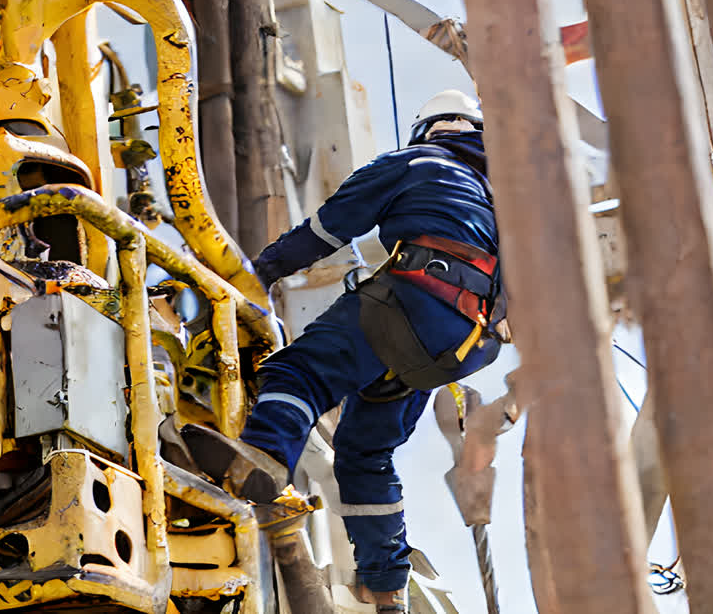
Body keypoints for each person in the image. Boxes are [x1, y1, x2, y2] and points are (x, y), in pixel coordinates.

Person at [183, 90, 508, 613]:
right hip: (462, 344)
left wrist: (259, 272)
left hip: (418, 300)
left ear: (427, 130)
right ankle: (386, 589)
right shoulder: (501, 199)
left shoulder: (416, 161)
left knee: (298, 372)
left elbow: (329, 228)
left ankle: (265, 457)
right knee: (366, 453)